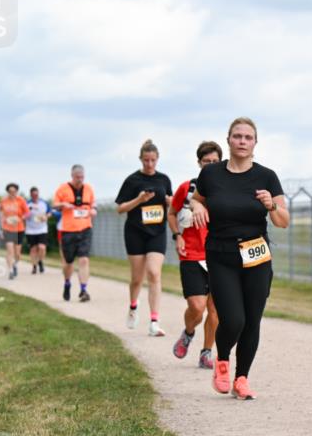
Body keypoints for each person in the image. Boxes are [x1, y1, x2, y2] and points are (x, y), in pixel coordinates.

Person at [190, 117, 289, 399]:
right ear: (228, 140)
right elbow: (198, 198)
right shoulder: (211, 175)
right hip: (221, 254)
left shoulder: (266, 176)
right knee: (232, 319)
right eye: (237, 136)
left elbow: (283, 220)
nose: (242, 141)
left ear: (255, 143)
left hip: (256, 255)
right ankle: (222, 361)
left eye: (248, 137)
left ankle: (242, 378)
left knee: (252, 320)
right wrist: (197, 206)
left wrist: (271, 205)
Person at [169, 141, 221, 368]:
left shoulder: (226, 190)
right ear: (199, 163)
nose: (210, 165)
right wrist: (177, 235)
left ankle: (206, 352)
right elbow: (171, 213)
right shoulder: (186, 189)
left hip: (218, 254)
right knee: (197, 307)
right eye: (206, 161)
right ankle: (189, 332)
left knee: (215, 310)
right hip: (191, 254)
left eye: (215, 162)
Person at [116, 139, 174, 336]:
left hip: (157, 232)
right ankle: (133, 306)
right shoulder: (132, 180)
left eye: (153, 160)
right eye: (146, 160)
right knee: (137, 278)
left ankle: (154, 322)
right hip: (135, 232)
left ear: (157, 160)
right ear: (141, 159)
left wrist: (169, 201)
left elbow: (172, 205)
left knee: (154, 273)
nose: (149, 164)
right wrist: (139, 199)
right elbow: (120, 208)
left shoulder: (164, 180)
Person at [52, 165, 96, 301]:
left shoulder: (88, 188)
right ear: (72, 176)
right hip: (68, 230)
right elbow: (54, 205)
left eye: (82, 177)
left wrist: (93, 210)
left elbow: (93, 204)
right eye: (77, 177)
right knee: (68, 262)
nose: (80, 180)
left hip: (85, 228)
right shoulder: (62, 188)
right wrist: (63, 205)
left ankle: (83, 290)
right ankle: (67, 283)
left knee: (84, 260)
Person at [0, 183, 30, 280]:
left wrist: (21, 218)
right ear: (7, 192)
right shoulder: (4, 201)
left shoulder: (21, 200)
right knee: (9, 251)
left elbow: (27, 213)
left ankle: (15, 264)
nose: (12, 193)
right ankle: (10, 271)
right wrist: (1, 228)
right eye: (10, 191)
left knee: (17, 254)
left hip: (19, 229)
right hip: (7, 228)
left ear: (17, 191)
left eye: (14, 191)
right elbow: (1, 215)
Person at [25, 187, 50, 274]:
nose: (35, 196)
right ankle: (34, 266)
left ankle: (40, 261)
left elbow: (50, 212)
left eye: (37, 194)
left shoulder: (44, 203)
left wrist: (46, 217)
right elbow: (23, 214)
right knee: (33, 249)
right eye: (33, 195)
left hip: (42, 229)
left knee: (42, 247)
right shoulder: (27, 204)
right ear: (31, 195)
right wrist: (27, 215)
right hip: (30, 229)